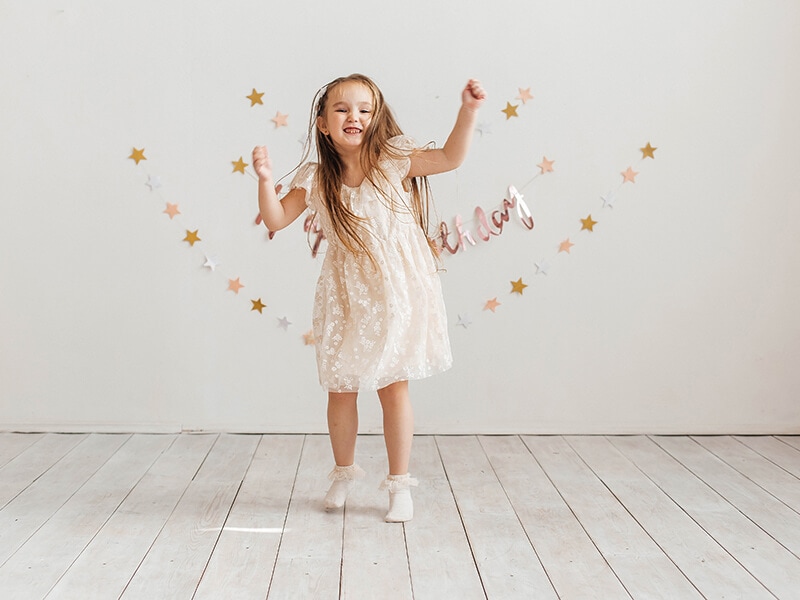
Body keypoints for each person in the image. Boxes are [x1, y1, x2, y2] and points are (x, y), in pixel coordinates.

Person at [253, 74, 485, 522]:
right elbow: (277, 217)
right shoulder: (319, 178)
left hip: (395, 293)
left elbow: (450, 157)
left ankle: (400, 487)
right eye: (341, 109)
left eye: (364, 109)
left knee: (392, 387)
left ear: (375, 118)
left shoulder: (391, 161)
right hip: (345, 295)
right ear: (323, 124)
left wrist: (468, 111)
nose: (353, 117)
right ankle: (343, 474)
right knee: (340, 388)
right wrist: (265, 180)